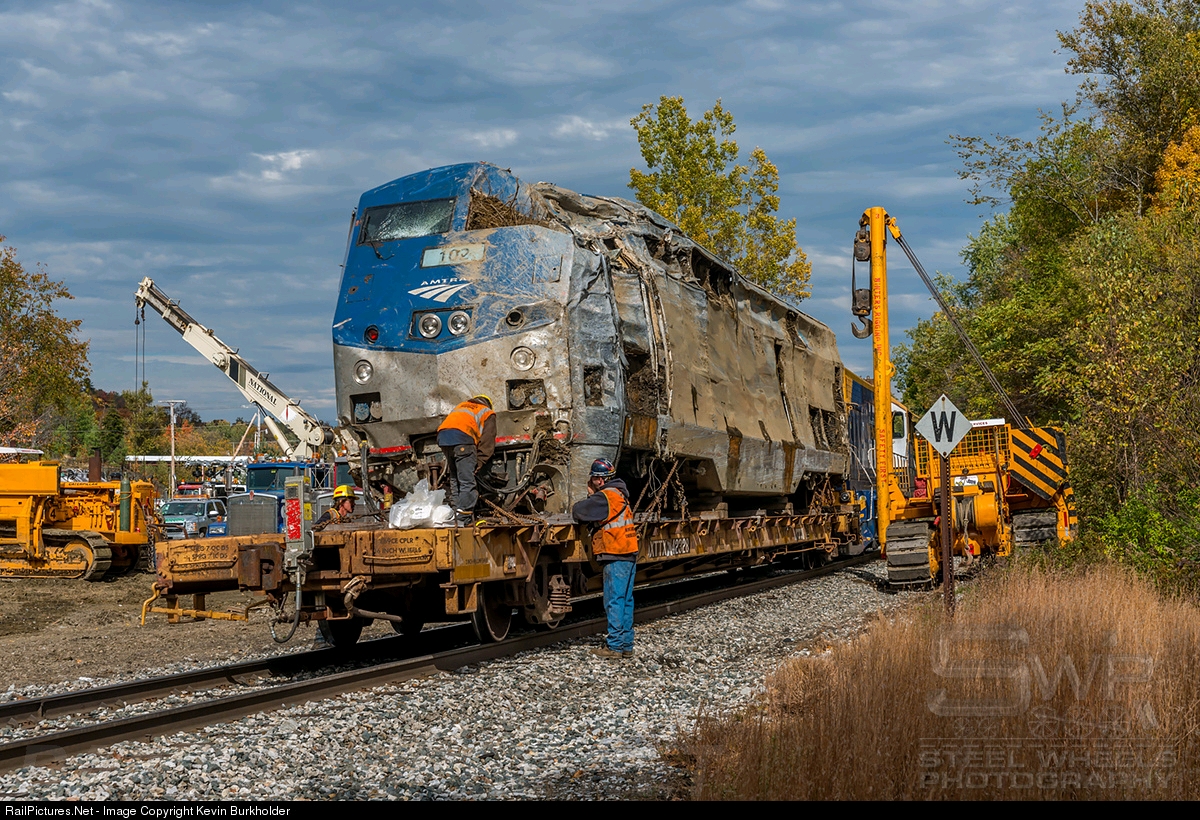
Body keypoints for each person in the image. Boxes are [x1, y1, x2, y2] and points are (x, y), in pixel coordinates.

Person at [571, 458, 638, 659]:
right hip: (628, 552)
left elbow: (579, 511)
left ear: (599, 480)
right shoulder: (620, 494)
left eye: (593, 479)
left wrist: (591, 496)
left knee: (614, 600)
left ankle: (615, 647)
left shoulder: (605, 497)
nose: (591, 482)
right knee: (625, 600)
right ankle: (626, 644)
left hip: (615, 553)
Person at [436, 395, 497, 526]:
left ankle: (455, 514)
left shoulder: (461, 406)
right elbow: (488, 440)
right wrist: (480, 461)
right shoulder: (487, 412)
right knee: (467, 481)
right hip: (462, 440)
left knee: (455, 478)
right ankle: (463, 517)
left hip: (443, 439)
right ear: (488, 404)